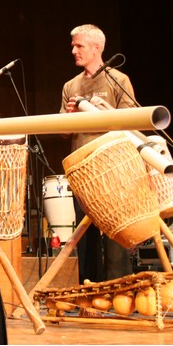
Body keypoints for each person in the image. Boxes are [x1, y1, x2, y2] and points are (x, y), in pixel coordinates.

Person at [59, 24, 137, 284]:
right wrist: (69, 117)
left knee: (117, 231)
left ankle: (120, 289)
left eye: (79, 46)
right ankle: (89, 290)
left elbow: (133, 123)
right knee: (85, 235)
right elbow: (61, 132)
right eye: (73, 45)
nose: (73, 51)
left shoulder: (118, 79)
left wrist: (108, 114)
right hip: (82, 170)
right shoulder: (70, 85)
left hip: (113, 168)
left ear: (96, 48)